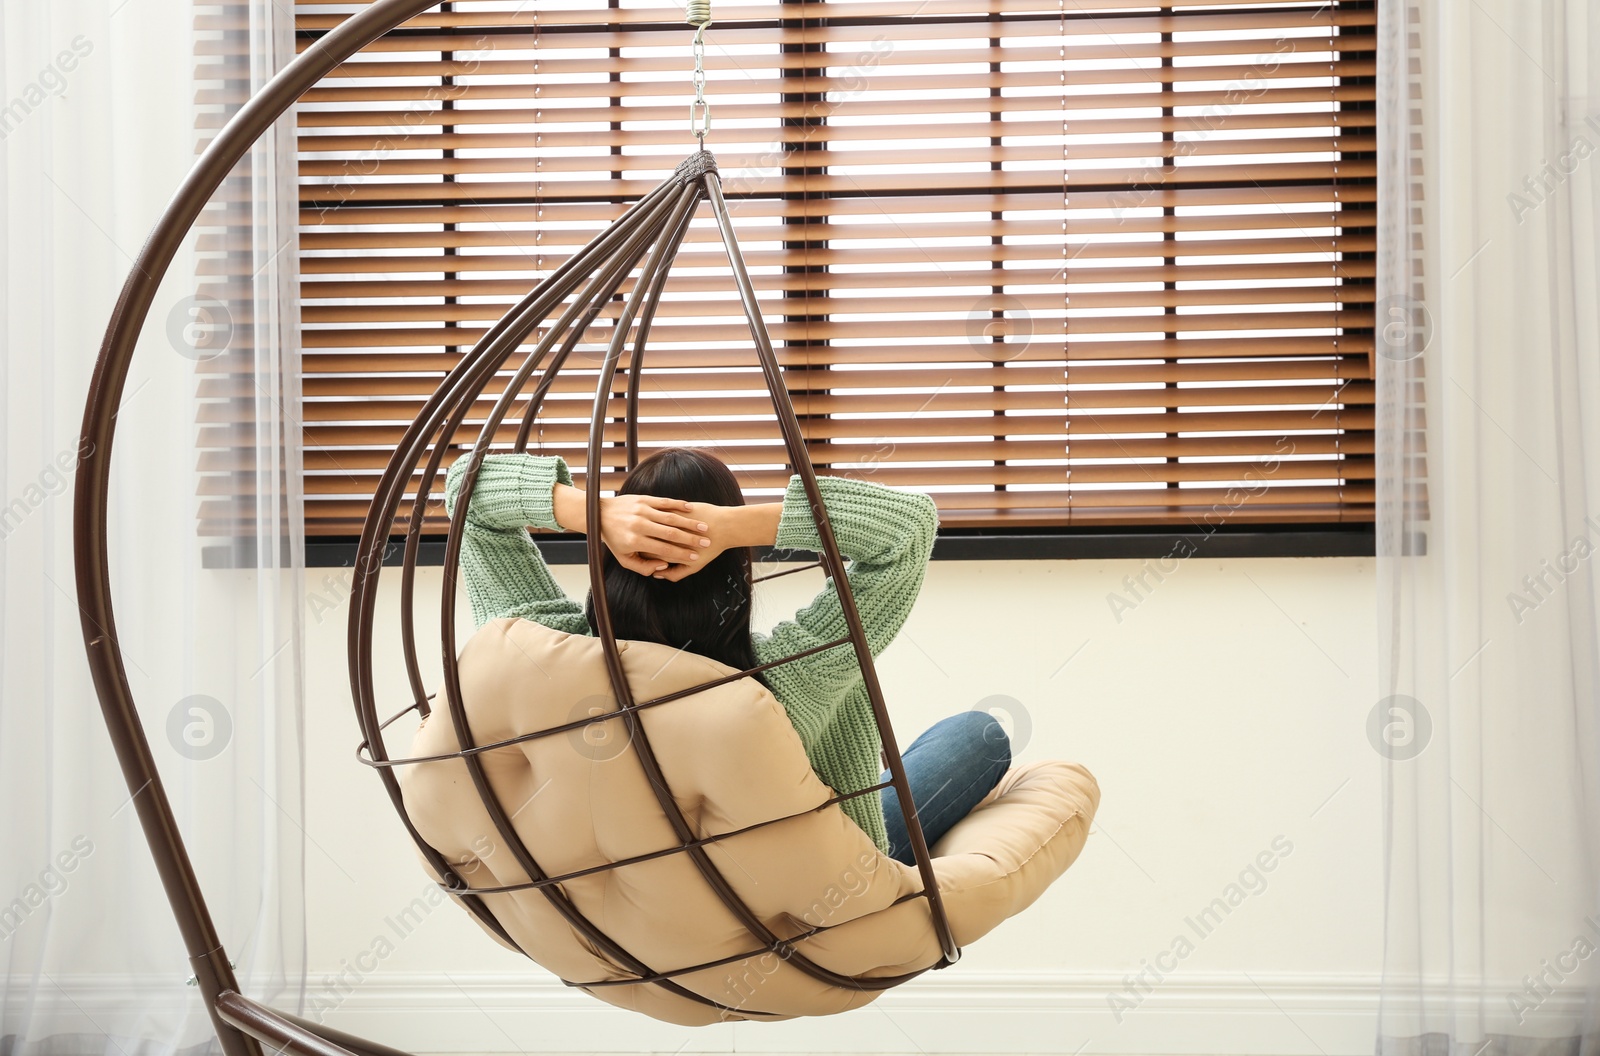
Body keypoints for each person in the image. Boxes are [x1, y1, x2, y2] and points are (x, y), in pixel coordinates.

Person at [442, 447, 1011, 866]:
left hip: (647, 911)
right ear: (734, 570)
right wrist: (733, 527)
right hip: (804, 897)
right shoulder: (789, 678)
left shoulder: (547, 653)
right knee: (978, 734)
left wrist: (594, 510)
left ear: (610, 555)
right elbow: (910, 527)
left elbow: (464, 484)